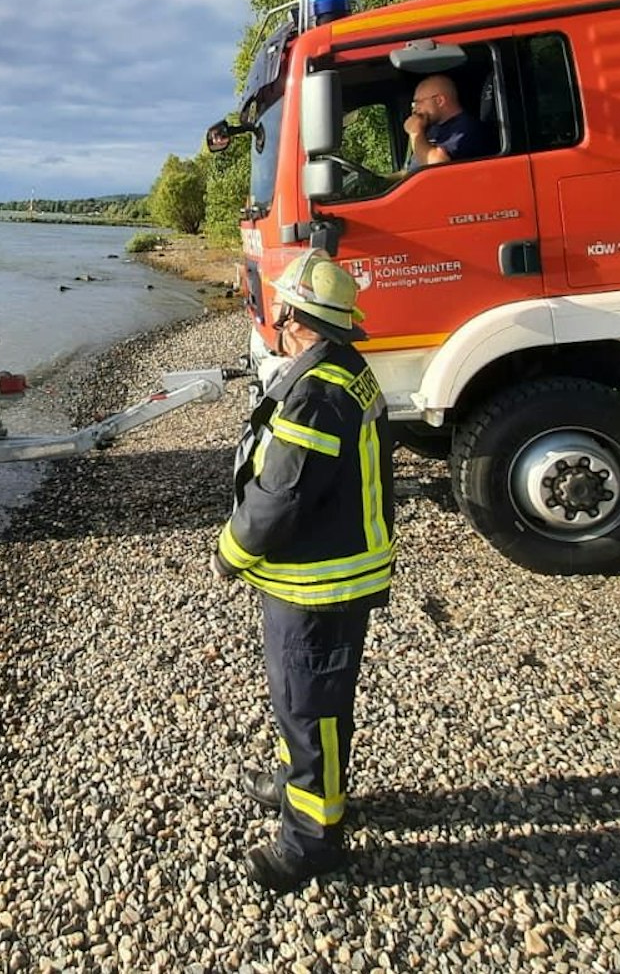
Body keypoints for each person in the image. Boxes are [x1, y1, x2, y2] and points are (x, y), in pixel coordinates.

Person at [214, 249, 396, 893]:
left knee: (307, 705)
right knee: (314, 706)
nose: (273, 317)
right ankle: (306, 791)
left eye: (278, 308)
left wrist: (231, 552)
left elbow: (281, 497)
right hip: (331, 571)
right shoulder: (342, 370)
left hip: (319, 582)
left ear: (292, 314)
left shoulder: (317, 393)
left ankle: (313, 841)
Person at [403, 74, 494, 170]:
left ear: (439, 101)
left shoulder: (466, 130)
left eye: (418, 102)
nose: (415, 109)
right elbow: (413, 168)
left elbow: (438, 165)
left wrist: (415, 132)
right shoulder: (433, 129)